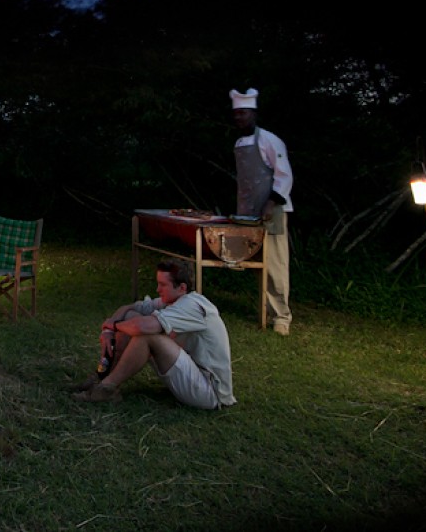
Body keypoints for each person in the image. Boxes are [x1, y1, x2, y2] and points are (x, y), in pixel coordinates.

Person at [72, 259, 235, 408]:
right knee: (131, 318)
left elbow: (143, 328)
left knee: (146, 334)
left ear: (182, 288)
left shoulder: (192, 305)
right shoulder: (173, 300)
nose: (158, 289)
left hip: (210, 392)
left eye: (163, 285)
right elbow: (129, 308)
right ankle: (101, 376)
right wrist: (109, 329)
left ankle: (106, 389)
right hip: (190, 375)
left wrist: (114, 326)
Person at [230, 87, 295, 335]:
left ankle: (282, 316)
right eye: (236, 114)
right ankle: (264, 309)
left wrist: (271, 202)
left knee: (276, 263)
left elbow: (284, 174)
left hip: (272, 209)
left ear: (253, 114)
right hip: (247, 210)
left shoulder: (269, 140)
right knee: (258, 262)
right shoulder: (239, 142)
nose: (239, 118)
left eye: (243, 113)